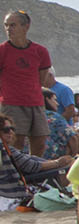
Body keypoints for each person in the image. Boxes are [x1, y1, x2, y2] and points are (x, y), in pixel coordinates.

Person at [0, 9, 55, 155]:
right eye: (6, 25)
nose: (8, 29)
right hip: (11, 104)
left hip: (35, 103)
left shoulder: (40, 51)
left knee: (40, 141)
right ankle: (15, 169)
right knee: (15, 142)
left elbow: (41, 79)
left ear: (26, 26)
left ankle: (35, 169)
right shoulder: (2, 51)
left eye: (13, 25)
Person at [0, 111, 67, 205]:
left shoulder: (7, 149)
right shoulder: (6, 149)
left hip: (6, 192)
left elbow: (30, 160)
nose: (11, 132)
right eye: (6, 130)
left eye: (12, 129)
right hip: (13, 193)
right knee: (65, 168)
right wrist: (58, 163)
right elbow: (31, 166)